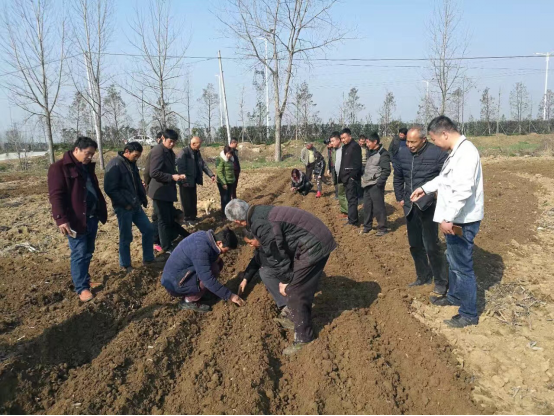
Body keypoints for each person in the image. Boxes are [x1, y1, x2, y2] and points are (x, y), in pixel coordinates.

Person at [225, 199, 337, 356]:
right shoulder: (259, 212)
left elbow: (277, 254)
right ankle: (295, 313)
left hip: (313, 243)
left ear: (237, 221)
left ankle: (304, 338)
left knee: (296, 290)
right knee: (296, 285)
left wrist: (285, 281)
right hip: (311, 237)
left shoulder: (260, 224)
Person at [411, 116, 485, 328]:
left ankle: (469, 314)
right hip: (455, 218)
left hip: (461, 221)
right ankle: (454, 296)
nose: (434, 144)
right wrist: (424, 188)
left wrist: (448, 218)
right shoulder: (455, 153)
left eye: (434, 139)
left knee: (462, 267)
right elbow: (444, 180)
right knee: (452, 260)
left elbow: (463, 190)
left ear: (444, 134)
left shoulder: (466, 153)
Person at [47, 137, 108, 302]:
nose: (90, 157)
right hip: (75, 219)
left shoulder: (86, 167)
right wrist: (61, 219)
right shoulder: (58, 168)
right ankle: (82, 288)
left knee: (88, 251)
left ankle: (85, 280)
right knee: (79, 253)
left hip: (91, 216)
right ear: (76, 150)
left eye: (92, 154)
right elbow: (56, 196)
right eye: (87, 153)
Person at [394, 127, 449, 295]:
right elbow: (398, 176)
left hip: (428, 205)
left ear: (424, 140)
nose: (409, 145)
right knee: (415, 244)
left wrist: (438, 196)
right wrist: (400, 196)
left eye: (413, 142)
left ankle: (440, 281)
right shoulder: (402, 152)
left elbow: (446, 178)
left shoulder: (437, 153)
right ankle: (423, 275)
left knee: (431, 245)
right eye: (407, 141)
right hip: (410, 206)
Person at [104, 142, 159, 273]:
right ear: (127, 151)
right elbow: (110, 189)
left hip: (135, 205)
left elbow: (136, 182)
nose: (137, 158)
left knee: (148, 229)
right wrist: (125, 204)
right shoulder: (115, 164)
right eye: (135, 155)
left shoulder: (131, 164)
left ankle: (148, 258)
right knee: (126, 236)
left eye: (138, 156)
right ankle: (125, 264)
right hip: (124, 207)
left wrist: (142, 197)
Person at [161, 228, 245, 312]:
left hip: (180, 274)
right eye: (226, 250)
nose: (225, 252)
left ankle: (201, 292)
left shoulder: (206, 237)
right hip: (174, 284)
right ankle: (188, 301)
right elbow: (207, 279)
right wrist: (230, 296)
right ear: (219, 243)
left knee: (217, 263)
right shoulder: (201, 249)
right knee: (210, 273)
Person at [237, 231, 292, 327]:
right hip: (282, 272)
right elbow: (256, 260)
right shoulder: (261, 248)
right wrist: (245, 279)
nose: (250, 245)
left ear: (257, 238)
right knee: (264, 270)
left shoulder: (271, 247)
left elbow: (283, 266)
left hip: (289, 274)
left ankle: (289, 306)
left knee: (264, 272)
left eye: (250, 242)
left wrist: (284, 282)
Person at [148, 129, 186, 254]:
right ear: (163, 138)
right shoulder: (158, 151)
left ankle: (165, 241)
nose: (172, 144)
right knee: (162, 220)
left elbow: (169, 169)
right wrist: (171, 177)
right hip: (160, 191)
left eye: (174, 142)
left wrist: (178, 176)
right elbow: (153, 172)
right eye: (171, 141)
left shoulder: (169, 152)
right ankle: (166, 246)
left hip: (167, 191)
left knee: (167, 218)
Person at [176, 136, 216, 222]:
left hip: (193, 180)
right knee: (186, 201)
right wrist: (184, 181)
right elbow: (181, 168)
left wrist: (211, 175)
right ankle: (187, 218)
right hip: (185, 182)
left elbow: (203, 164)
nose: (200, 146)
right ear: (193, 144)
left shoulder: (197, 152)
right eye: (199, 144)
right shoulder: (184, 152)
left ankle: (193, 217)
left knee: (193, 199)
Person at [361, 133, 391, 236]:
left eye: (368, 142)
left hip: (375, 184)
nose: (367, 144)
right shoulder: (370, 152)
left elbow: (386, 170)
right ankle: (367, 226)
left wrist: (379, 183)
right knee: (367, 207)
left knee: (378, 207)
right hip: (367, 183)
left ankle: (382, 228)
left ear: (375, 142)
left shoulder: (383, 153)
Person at [338, 128, 363, 227]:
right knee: (349, 199)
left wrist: (352, 177)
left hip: (351, 179)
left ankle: (353, 221)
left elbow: (357, 164)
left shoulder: (355, 147)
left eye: (344, 138)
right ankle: (351, 217)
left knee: (352, 200)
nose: (343, 140)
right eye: (341, 138)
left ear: (350, 136)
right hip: (345, 178)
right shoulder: (345, 147)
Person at [330, 132, 348, 217]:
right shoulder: (335, 150)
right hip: (339, 176)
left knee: (346, 195)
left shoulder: (345, 150)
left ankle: (349, 213)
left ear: (338, 140)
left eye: (333, 141)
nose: (331, 143)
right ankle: (344, 211)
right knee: (341, 194)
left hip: (345, 176)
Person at [216, 145, 236, 213]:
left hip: (230, 182)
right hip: (223, 182)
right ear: (225, 152)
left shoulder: (231, 160)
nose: (229, 155)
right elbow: (219, 172)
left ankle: (228, 212)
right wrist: (223, 183)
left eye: (231, 154)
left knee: (229, 198)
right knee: (224, 198)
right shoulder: (220, 159)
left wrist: (233, 179)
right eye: (228, 154)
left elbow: (231, 171)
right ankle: (224, 213)